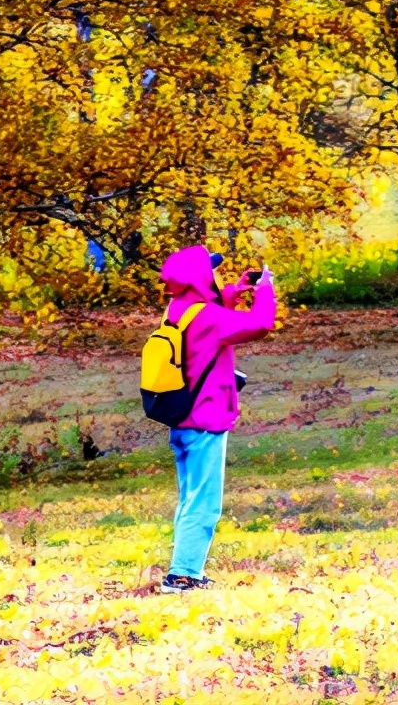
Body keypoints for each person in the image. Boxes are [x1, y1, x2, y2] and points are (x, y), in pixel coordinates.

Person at [157, 244, 277, 593]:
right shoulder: (207, 317)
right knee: (204, 503)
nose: (215, 274)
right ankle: (181, 576)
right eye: (211, 271)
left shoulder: (177, 309)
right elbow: (260, 324)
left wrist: (232, 293)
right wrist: (264, 289)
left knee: (190, 497)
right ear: (199, 279)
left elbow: (205, 320)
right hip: (205, 418)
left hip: (183, 418)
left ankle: (186, 570)